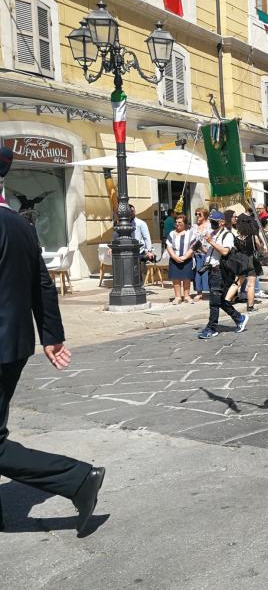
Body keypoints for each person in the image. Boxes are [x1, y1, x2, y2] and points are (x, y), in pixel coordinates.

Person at [0, 150, 105, 537]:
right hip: (13, 347)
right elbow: (42, 284)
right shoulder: (20, 225)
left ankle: (77, 478)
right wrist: (51, 336)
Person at [197, 210, 249, 339]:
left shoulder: (227, 235)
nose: (212, 224)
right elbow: (212, 253)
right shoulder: (213, 234)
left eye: (214, 222)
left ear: (221, 222)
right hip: (212, 271)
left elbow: (225, 251)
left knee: (214, 303)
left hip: (220, 272)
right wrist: (201, 247)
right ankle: (239, 318)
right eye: (211, 222)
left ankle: (211, 328)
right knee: (219, 300)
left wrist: (210, 241)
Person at [226, 214, 264, 313]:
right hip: (251, 261)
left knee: (237, 283)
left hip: (241, 262)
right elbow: (260, 249)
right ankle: (250, 306)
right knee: (251, 285)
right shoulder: (253, 237)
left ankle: (226, 300)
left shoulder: (237, 237)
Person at [165, 213, 196, 304]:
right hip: (174, 260)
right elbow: (168, 246)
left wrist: (185, 256)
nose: (177, 224)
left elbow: (193, 247)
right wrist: (174, 257)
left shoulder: (190, 234)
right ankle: (177, 297)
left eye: (180, 222)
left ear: (185, 224)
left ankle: (187, 296)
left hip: (187, 259)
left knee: (187, 278)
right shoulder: (171, 233)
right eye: (176, 222)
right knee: (176, 279)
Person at [191, 208, 211, 301]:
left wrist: (205, 249)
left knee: (207, 273)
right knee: (198, 273)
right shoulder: (194, 226)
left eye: (200, 214)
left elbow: (213, 238)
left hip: (207, 253)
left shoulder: (210, 226)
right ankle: (199, 292)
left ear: (205, 216)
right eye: (196, 214)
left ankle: (209, 291)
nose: (197, 216)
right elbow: (190, 239)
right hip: (197, 253)